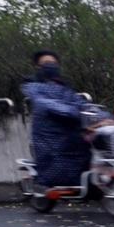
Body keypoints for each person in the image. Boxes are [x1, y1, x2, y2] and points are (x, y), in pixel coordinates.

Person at [21, 50, 91, 189]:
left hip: (71, 134)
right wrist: (75, 112)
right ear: (38, 67)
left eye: (53, 63)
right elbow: (48, 104)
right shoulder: (33, 87)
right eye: (46, 63)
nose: (51, 66)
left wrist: (103, 117)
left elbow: (81, 103)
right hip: (51, 137)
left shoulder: (65, 88)